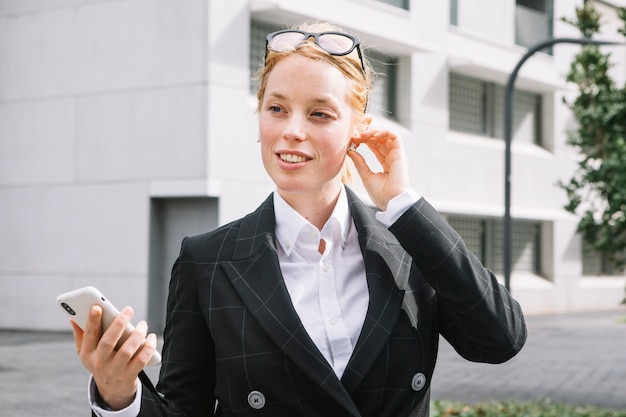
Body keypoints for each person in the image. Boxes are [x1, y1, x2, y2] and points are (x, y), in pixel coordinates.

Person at [71, 21, 527, 417]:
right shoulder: (207, 261)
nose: (292, 129)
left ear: (358, 128)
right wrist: (119, 396)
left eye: (319, 113)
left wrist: (403, 204)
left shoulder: (411, 245)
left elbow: (499, 340)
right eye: (276, 108)